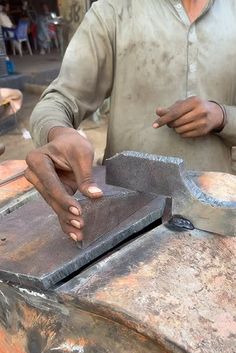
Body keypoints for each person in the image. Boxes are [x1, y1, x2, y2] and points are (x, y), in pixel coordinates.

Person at [26, 0, 236, 243]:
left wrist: (223, 116)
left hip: (218, 213)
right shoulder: (113, 10)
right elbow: (60, 99)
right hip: (124, 212)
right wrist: (58, 132)